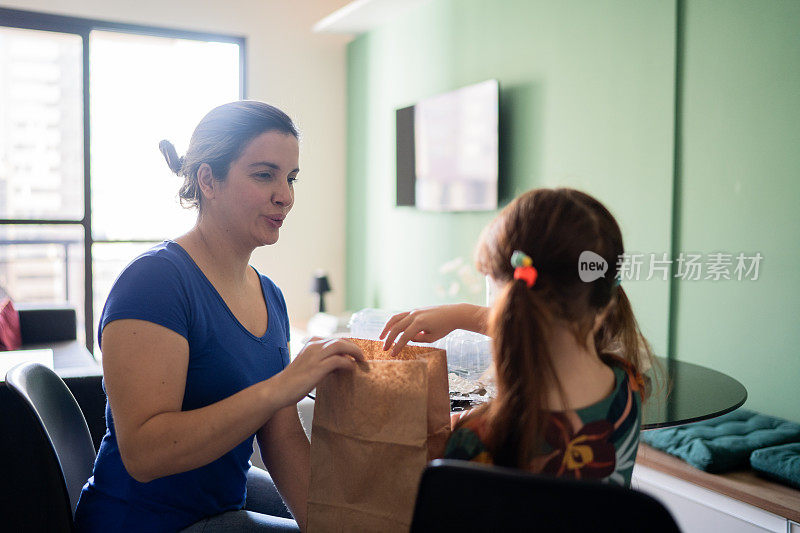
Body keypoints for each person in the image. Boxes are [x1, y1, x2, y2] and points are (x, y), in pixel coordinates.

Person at [74, 101, 364, 532]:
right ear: (208, 179)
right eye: (264, 174)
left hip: (218, 507)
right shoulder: (155, 282)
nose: (284, 195)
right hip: (143, 522)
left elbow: (281, 436)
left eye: (290, 177)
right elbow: (144, 454)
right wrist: (280, 387)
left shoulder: (270, 296)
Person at [380, 188, 654, 486]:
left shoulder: (475, 440)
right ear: (606, 301)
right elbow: (544, 324)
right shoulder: (628, 390)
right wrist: (460, 314)